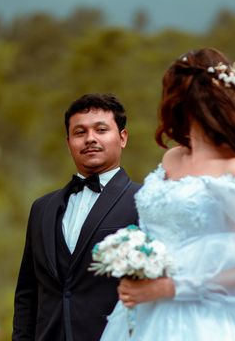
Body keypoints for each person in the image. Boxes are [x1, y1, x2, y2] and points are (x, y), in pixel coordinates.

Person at [100, 48, 235, 341]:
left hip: (208, 320)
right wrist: (134, 265)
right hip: (146, 313)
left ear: (181, 99)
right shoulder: (171, 159)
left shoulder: (232, 168)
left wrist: (171, 288)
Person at [13, 93, 141, 341]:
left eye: (101, 129)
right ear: (69, 141)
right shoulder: (42, 208)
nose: (90, 139)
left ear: (122, 137)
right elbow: (28, 292)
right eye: (79, 132)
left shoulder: (144, 200)